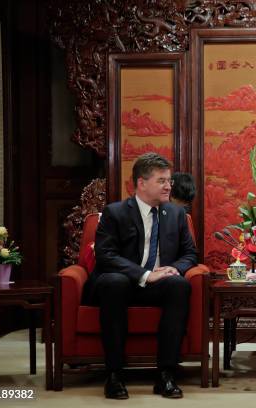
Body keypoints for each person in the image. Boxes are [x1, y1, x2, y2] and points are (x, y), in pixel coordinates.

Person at [82, 152, 197, 400]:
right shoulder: (115, 213)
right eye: (162, 180)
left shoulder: (176, 215)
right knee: (115, 282)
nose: (169, 186)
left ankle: (166, 374)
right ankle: (114, 375)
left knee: (178, 286)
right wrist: (145, 274)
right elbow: (106, 256)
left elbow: (190, 254)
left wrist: (171, 269)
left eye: (169, 181)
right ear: (142, 183)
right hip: (120, 281)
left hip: (157, 283)